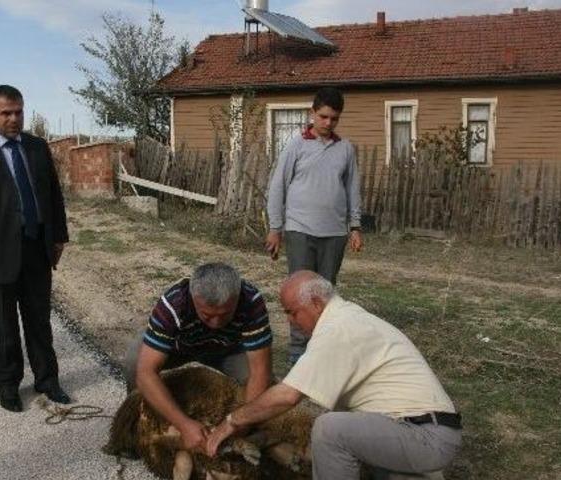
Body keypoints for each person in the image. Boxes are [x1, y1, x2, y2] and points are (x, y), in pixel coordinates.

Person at [206, 271, 462, 479]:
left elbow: (288, 395)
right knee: (344, 427)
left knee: (330, 430)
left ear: (316, 303)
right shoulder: (348, 318)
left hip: (424, 435)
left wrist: (232, 421)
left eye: (292, 312)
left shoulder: (338, 329)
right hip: (416, 429)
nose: (291, 322)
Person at [0, 85, 70, 413]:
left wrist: (58, 237)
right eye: (6, 113)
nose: (14, 118)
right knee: (3, 327)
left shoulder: (36, 148)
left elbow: (53, 195)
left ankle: (47, 380)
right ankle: (7, 385)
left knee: (39, 322)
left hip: (36, 249)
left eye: (19, 111)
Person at [123, 262, 273, 452]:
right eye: (207, 315)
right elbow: (146, 372)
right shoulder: (174, 303)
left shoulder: (251, 301)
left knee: (267, 384)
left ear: (237, 297)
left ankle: (254, 434)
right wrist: (183, 424)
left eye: (225, 314)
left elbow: (260, 372)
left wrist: (241, 424)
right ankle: (135, 424)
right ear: (194, 298)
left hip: (227, 350)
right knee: (134, 363)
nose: (216, 323)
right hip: (179, 348)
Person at [265, 87, 364, 365]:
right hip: (300, 231)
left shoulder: (345, 149)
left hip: (334, 234)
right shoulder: (296, 145)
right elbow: (277, 187)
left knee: (325, 293)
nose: (328, 123)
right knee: (300, 293)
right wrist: (276, 228)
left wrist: (355, 226)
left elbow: (352, 189)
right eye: (323, 117)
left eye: (334, 118)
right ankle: (298, 353)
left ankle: (321, 350)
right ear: (312, 113)